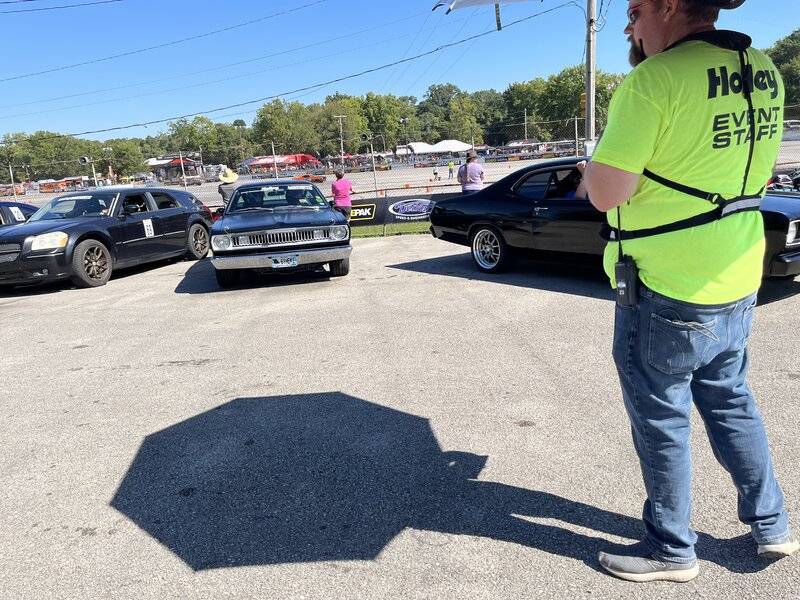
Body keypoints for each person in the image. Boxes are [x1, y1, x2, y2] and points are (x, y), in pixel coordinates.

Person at [582, 0, 796, 583]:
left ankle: (670, 550)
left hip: (665, 282)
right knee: (731, 399)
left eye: (634, 10)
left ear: (669, 5)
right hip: (738, 271)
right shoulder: (762, 67)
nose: (629, 26)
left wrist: (592, 170)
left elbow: (605, 194)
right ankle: (772, 524)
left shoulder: (654, 80)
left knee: (661, 418)